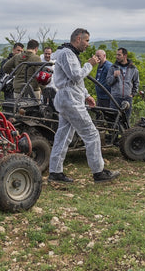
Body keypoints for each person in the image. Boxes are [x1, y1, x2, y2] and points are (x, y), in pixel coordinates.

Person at [48, 28, 120, 183]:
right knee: (91, 134)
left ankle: (55, 172)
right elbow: (75, 75)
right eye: (87, 40)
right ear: (78, 38)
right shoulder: (67, 53)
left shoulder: (68, 53)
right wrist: (90, 65)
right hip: (70, 99)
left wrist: (86, 95)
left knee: (63, 136)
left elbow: (74, 80)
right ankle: (98, 172)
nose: (88, 44)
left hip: (68, 97)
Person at [106, 47, 139, 120]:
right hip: (115, 98)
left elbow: (136, 82)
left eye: (119, 55)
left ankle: (125, 132)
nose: (116, 57)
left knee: (125, 120)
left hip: (127, 98)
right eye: (116, 55)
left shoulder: (133, 68)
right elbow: (108, 82)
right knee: (113, 119)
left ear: (125, 56)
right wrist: (114, 76)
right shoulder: (113, 67)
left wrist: (132, 94)